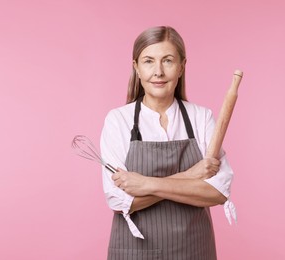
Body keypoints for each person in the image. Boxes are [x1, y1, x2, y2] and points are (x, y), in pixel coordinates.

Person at [100, 25, 237, 260]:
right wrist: (191, 176)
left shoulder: (201, 117)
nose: (158, 71)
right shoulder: (118, 120)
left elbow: (218, 191)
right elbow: (119, 199)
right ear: (136, 67)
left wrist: (145, 184)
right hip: (134, 251)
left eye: (168, 61)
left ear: (182, 66)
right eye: (149, 61)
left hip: (194, 250)